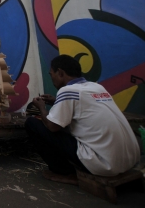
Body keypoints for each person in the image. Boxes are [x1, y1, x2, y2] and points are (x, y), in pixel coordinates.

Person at [25, 54, 140, 185]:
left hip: (105, 164)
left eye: (52, 74)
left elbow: (52, 126)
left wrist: (41, 108)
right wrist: (56, 101)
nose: (52, 78)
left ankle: (64, 172)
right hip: (130, 159)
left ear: (61, 73)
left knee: (32, 124)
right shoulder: (96, 87)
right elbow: (82, 108)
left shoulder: (67, 91)